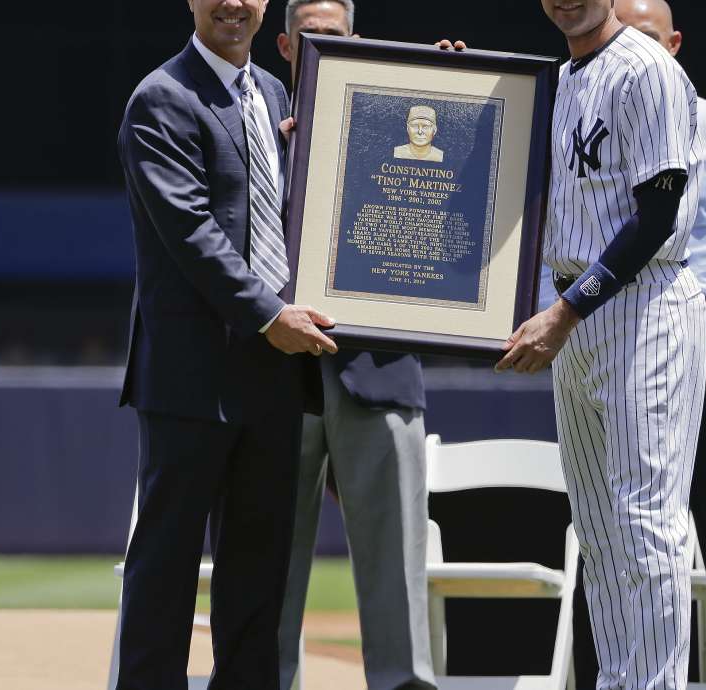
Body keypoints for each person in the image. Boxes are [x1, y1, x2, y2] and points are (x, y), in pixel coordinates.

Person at [561, 3, 706, 689]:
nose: (630, 47)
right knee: (609, 539)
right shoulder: (582, 103)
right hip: (612, 318)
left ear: (675, 42)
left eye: (646, 35)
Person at [114, 0, 338, 687]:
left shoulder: (275, 94)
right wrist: (270, 315)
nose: (233, 4)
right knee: (165, 575)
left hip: (271, 379)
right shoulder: (161, 98)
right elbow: (191, 233)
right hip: (191, 381)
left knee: (256, 583)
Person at [494, 2, 705, 687]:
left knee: (646, 523)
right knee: (600, 528)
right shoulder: (563, 79)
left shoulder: (645, 69)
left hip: (640, 305)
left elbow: (658, 214)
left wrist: (566, 311)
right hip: (577, 309)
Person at [273, 2, 435, 689]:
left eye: (332, 35)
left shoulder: (398, 113)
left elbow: (451, 188)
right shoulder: (253, 119)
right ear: (284, 45)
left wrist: (444, 87)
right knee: (266, 571)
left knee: (397, 567)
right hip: (274, 374)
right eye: (307, 35)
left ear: (356, 40)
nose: (319, 45)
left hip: (379, 368)